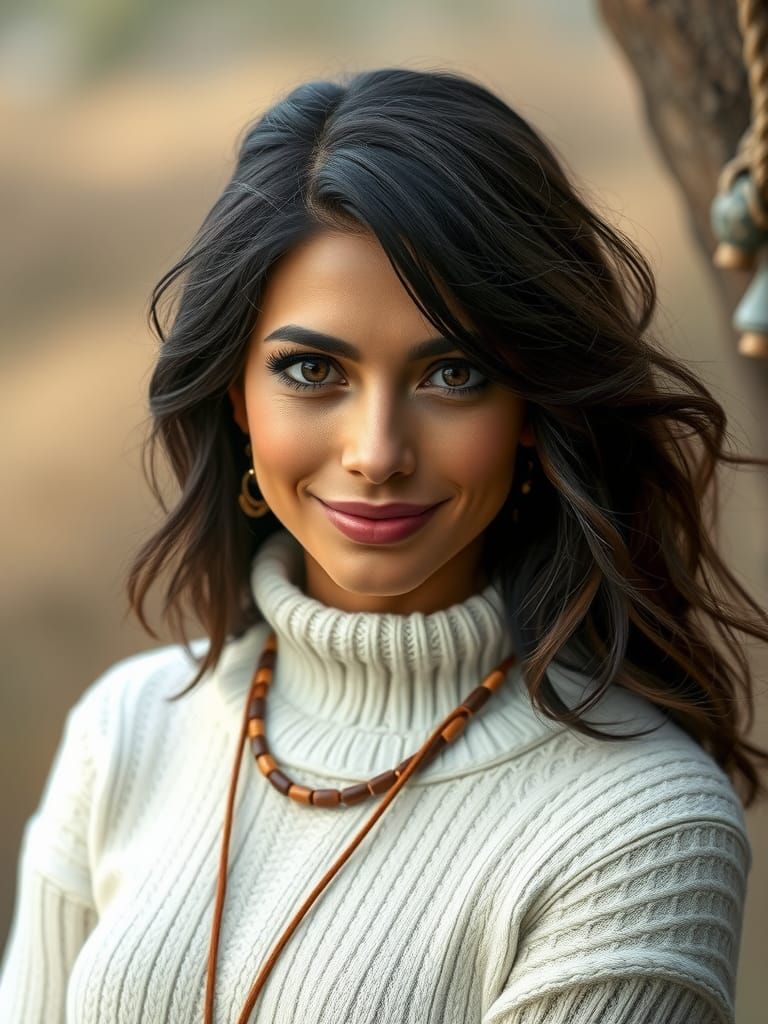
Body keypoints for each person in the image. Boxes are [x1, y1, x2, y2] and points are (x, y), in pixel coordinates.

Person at [1, 66, 767, 1024]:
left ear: (534, 406)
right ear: (236, 394)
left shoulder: (639, 828)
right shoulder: (124, 735)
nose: (377, 454)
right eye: (313, 369)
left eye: (453, 372)